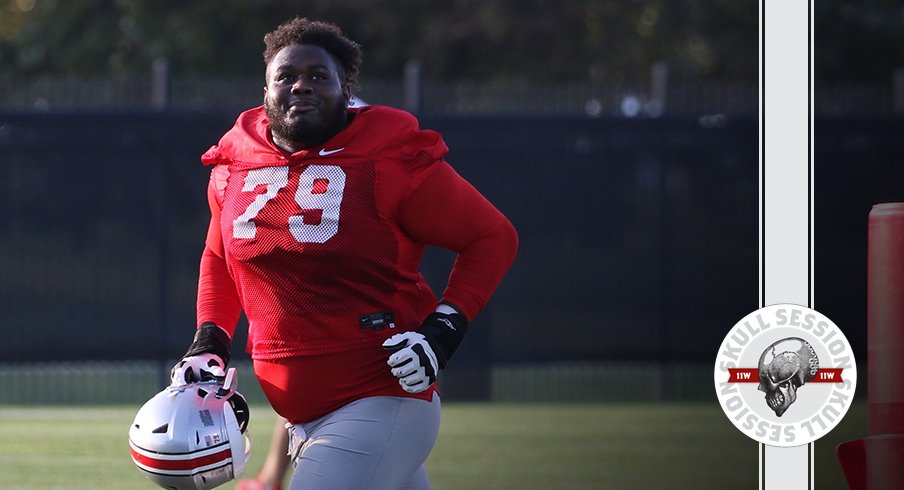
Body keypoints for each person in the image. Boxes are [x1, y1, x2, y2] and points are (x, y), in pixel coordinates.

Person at [169, 17, 518, 490]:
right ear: (265, 88)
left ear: (346, 87)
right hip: (304, 419)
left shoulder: (387, 158)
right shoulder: (238, 160)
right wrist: (210, 340)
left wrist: (443, 329)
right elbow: (218, 258)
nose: (301, 86)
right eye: (286, 76)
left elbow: (493, 236)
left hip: (382, 396)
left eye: (318, 76)